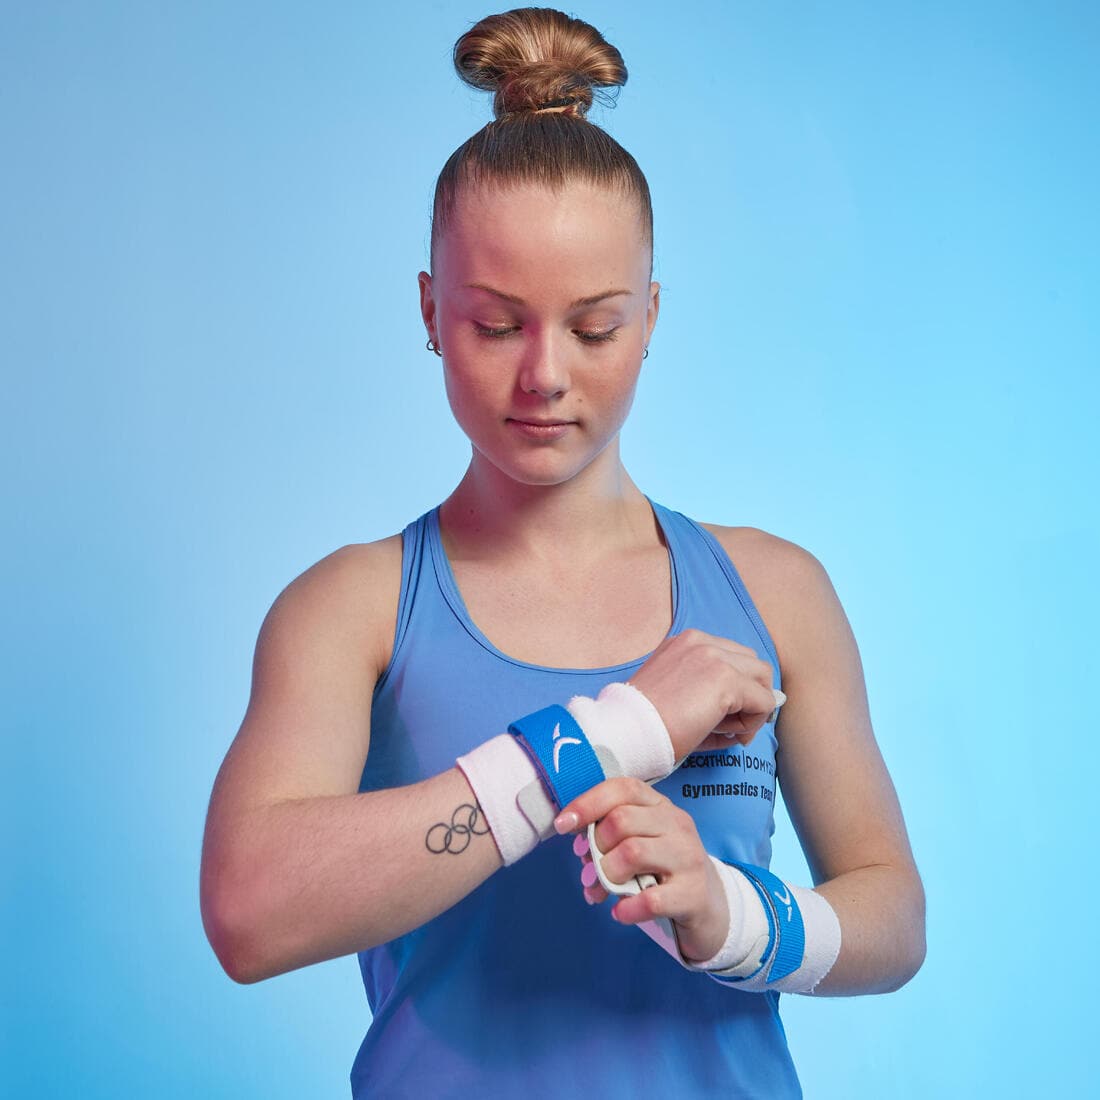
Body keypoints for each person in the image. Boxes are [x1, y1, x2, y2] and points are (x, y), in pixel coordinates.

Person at [200, 7, 926, 1097]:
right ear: (430, 312)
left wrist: (734, 917)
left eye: (592, 326)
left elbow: (892, 914)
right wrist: (610, 733)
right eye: (497, 323)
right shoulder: (349, 608)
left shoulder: (772, 591)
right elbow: (250, 915)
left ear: (649, 316)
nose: (543, 372)